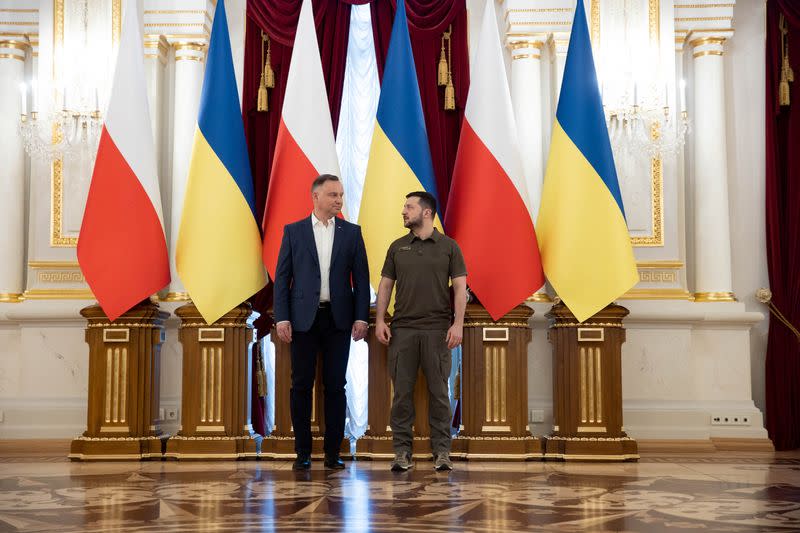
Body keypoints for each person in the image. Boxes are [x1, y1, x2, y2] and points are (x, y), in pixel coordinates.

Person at [273, 174, 370, 470]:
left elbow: (362, 278)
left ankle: (332, 454)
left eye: (341, 195)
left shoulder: (352, 233)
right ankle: (302, 453)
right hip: (302, 320)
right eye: (333, 195)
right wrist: (282, 317)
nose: (339, 200)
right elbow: (282, 278)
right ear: (315, 197)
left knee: (335, 386)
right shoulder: (294, 232)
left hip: (338, 320)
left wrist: (361, 317)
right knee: (300, 385)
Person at [375, 191, 467, 472]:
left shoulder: (449, 247)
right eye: (404, 206)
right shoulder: (397, 247)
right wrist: (380, 320)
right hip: (402, 330)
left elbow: (461, 288)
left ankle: (442, 452)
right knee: (402, 394)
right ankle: (402, 452)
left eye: (409, 207)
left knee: (440, 394)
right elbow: (386, 286)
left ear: (426, 212)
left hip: (438, 331)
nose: (403, 211)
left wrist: (458, 324)